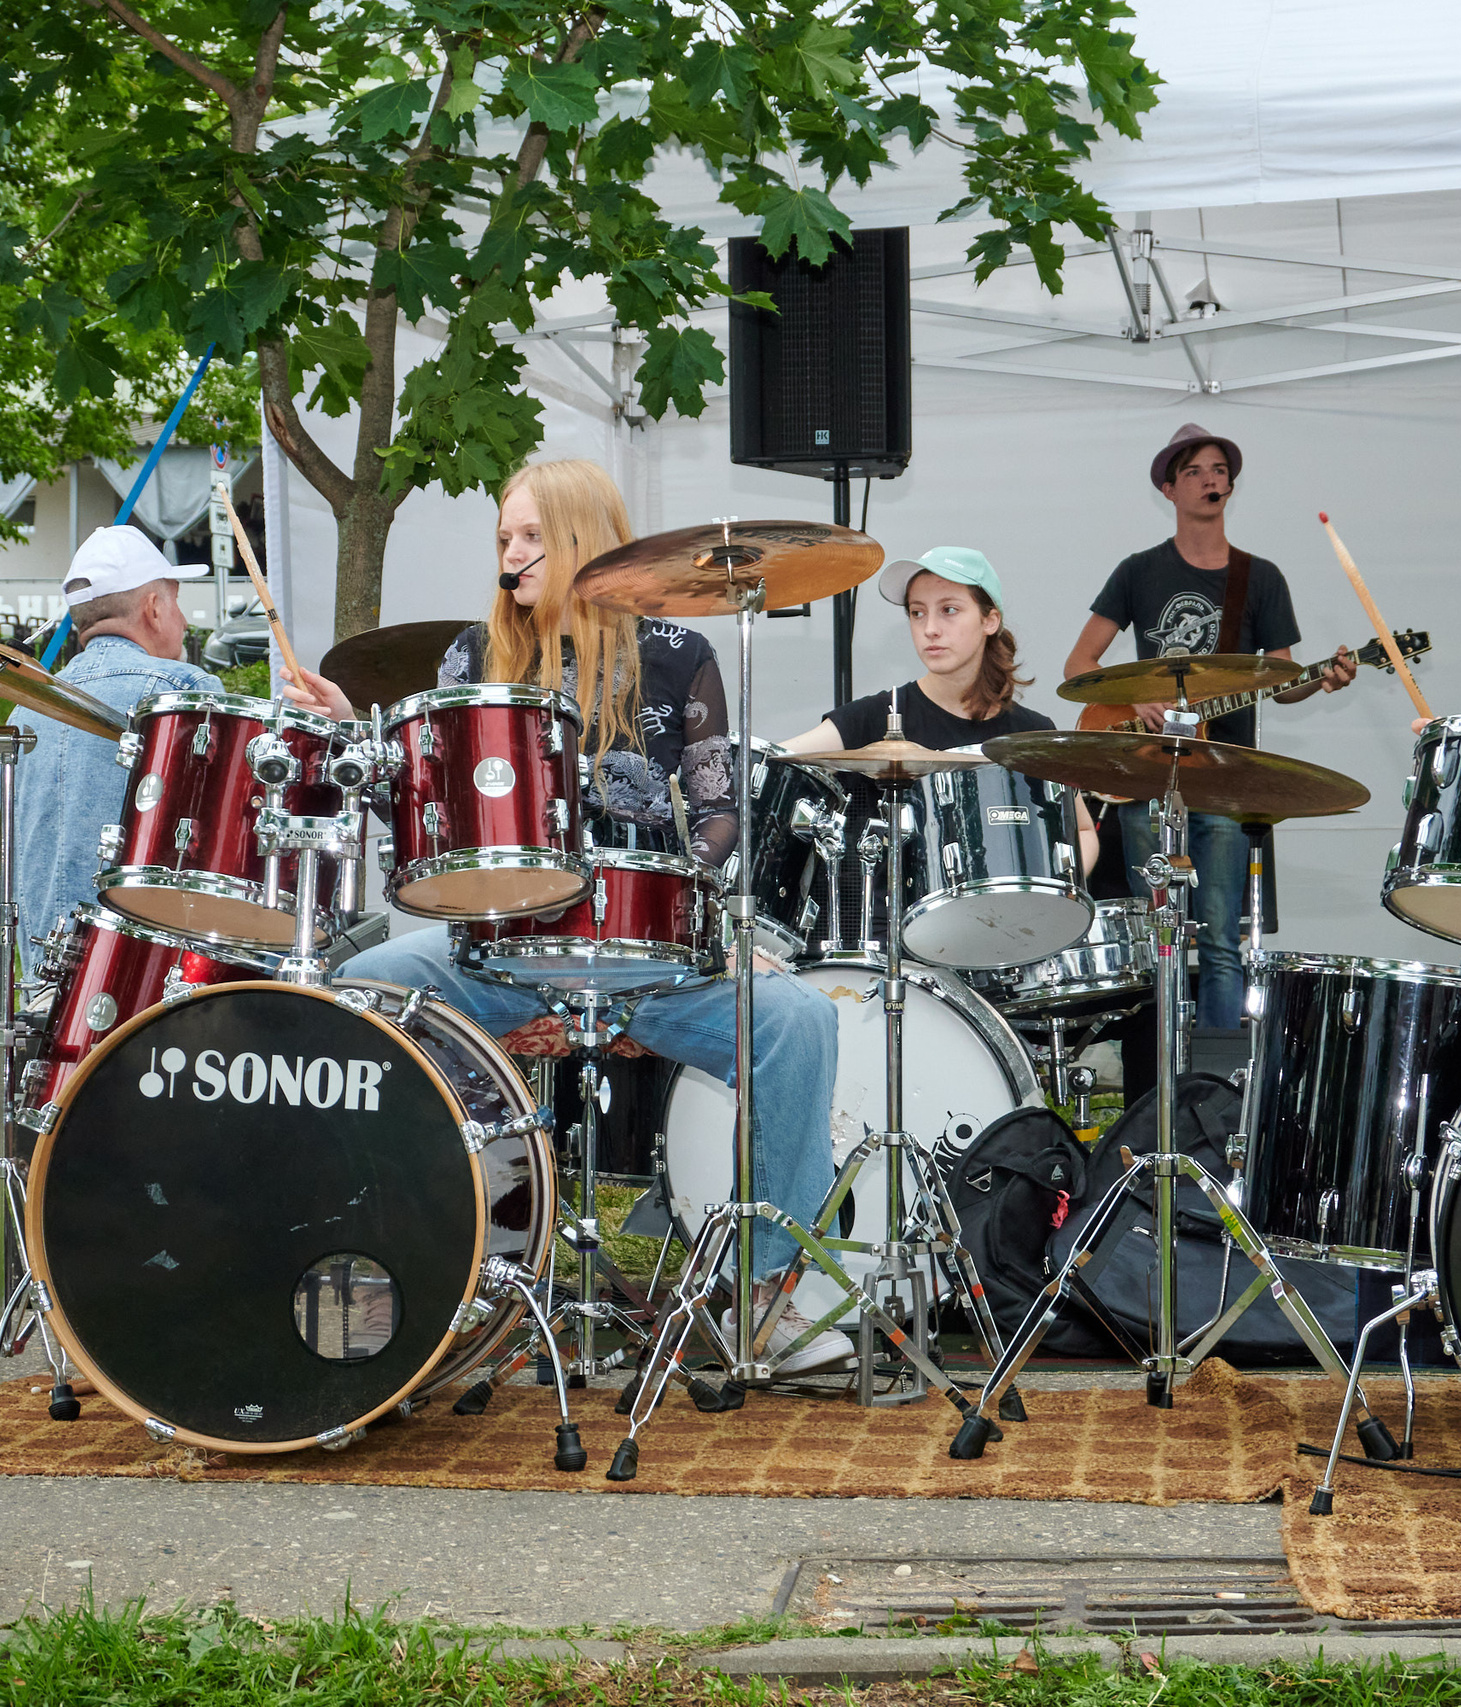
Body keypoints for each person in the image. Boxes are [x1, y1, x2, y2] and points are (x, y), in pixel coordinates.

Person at [339, 459, 849, 1376]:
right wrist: (359, 746)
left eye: (532, 534)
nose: (512, 551)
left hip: (645, 958)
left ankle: (767, 1296)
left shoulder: (679, 654)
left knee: (801, 1022)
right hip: (495, 956)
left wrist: (698, 923)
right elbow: (428, 826)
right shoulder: (472, 657)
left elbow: (721, 814)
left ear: (584, 538)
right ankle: (411, 1271)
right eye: (503, 537)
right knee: (361, 990)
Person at [1060, 424, 1355, 1030]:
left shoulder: (1259, 577)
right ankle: (1157, 1070)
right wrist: (1136, 697)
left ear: (1231, 484)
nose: (1209, 479)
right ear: (1168, 488)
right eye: (1193, 470)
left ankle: (1214, 1087)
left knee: (1221, 942)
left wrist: (1323, 677)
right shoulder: (1139, 571)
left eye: (1218, 469)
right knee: (1154, 940)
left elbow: (1284, 681)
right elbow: (1078, 665)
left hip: (1222, 781)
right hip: (1149, 777)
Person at [14, 523, 349, 949]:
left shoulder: (28, 705)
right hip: (141, 961)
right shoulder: (181, 691)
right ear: (153, 608)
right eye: (176, 603)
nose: (185, 620)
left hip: (38, 967)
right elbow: (238, 819)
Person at [781, 546, 1098, 875]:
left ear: (990, 620)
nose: (929, 628)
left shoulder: (1032, 732)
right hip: (888, 921)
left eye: (948, 609)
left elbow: (1084, 832)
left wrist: (1055, 901)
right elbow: (773, 761)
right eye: (917, 613)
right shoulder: (874, 716)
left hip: (1009, 922)